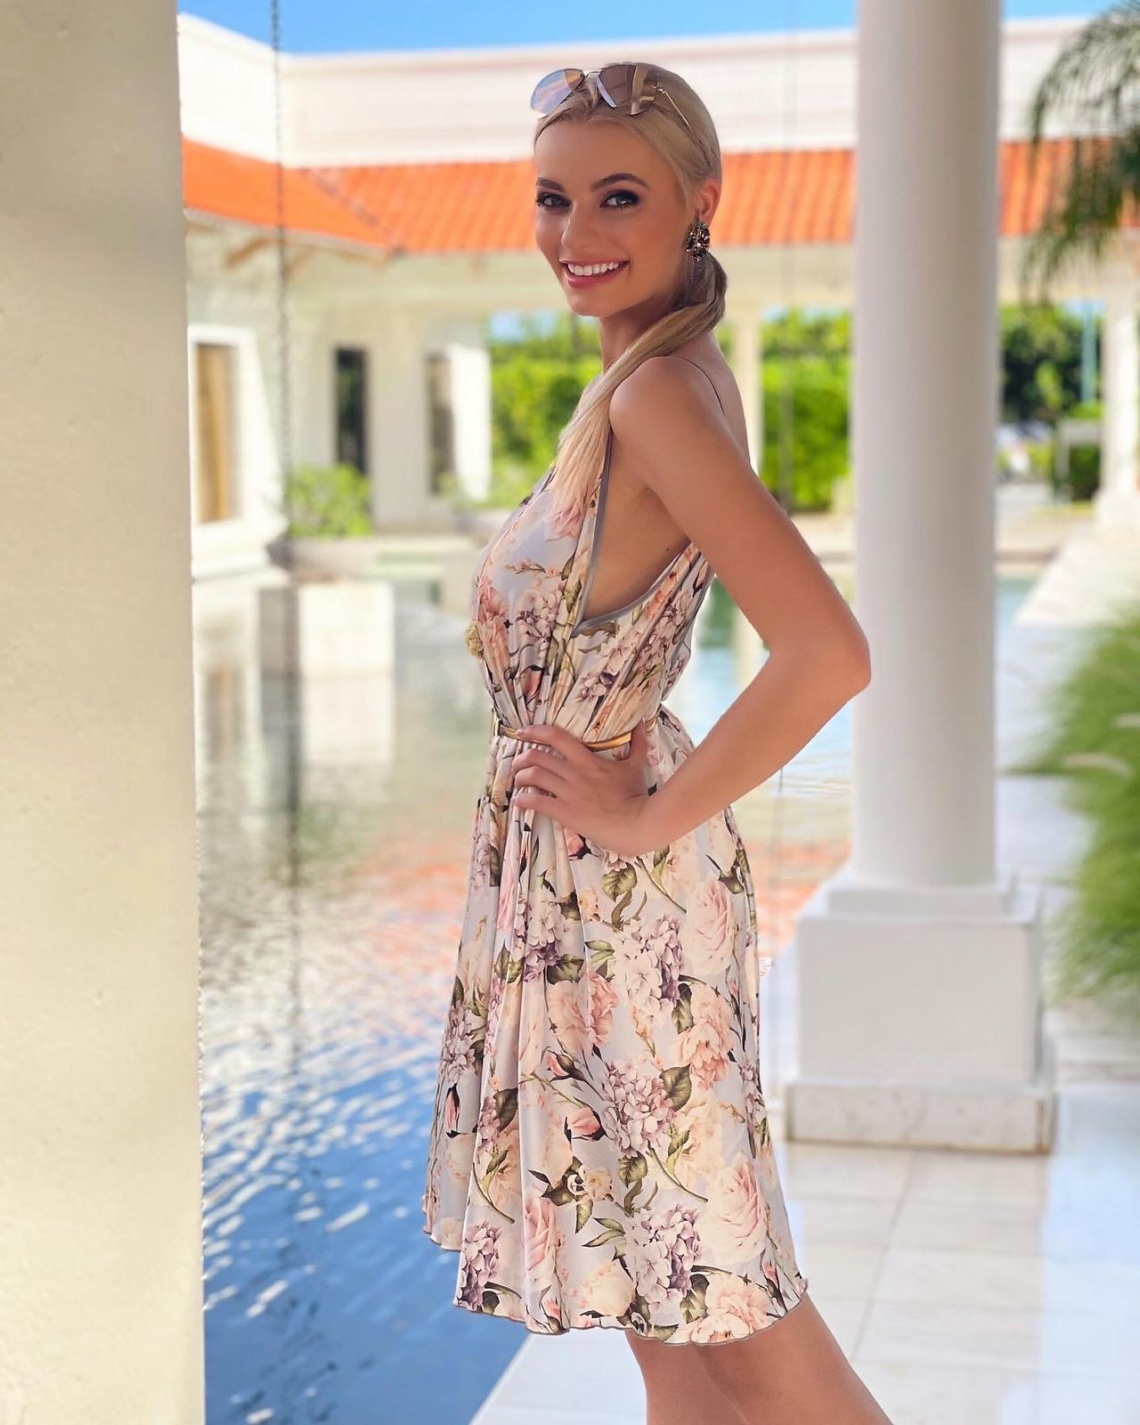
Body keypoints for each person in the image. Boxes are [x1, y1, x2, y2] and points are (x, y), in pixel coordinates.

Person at [424, 61, 888, 1425]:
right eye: (553, 198)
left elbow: (828, 651)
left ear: (700, 202)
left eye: (617, 196)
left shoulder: (657, 398)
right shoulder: (649, 378)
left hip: (622, 903)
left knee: (735, 1316)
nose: (576, 232)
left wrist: (638, 816)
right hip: (584, 893)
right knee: (665, 1316)